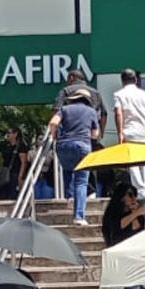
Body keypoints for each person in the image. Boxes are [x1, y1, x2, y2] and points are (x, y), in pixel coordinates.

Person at [48, 86, 100, 226]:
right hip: (82, 146)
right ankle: (78, 216)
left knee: (68, 170)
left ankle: (70, 197)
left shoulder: (64, 109)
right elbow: (95, 134)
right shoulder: (91, 111)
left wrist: (54, 136)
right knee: (81, 182)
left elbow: (53, 122)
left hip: (63, 146)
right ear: (87, 100)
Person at [113, 68, 145, 197]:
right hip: (144, 133)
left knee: (133, 164)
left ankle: (140, 191)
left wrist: (120, 133)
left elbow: (118, 113)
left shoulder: (119, 94)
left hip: (129, 131)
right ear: (135, 80)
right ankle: (144, 190)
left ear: (122, 81)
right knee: (143, 163)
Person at [102, 181, 145, 247]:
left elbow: (137, 228)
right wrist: (136, 213)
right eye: (130, 195)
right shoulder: (112, 213)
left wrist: (134, 211)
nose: (133, 198)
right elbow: (117, 226)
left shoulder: (135, 212)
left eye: (134, 195)